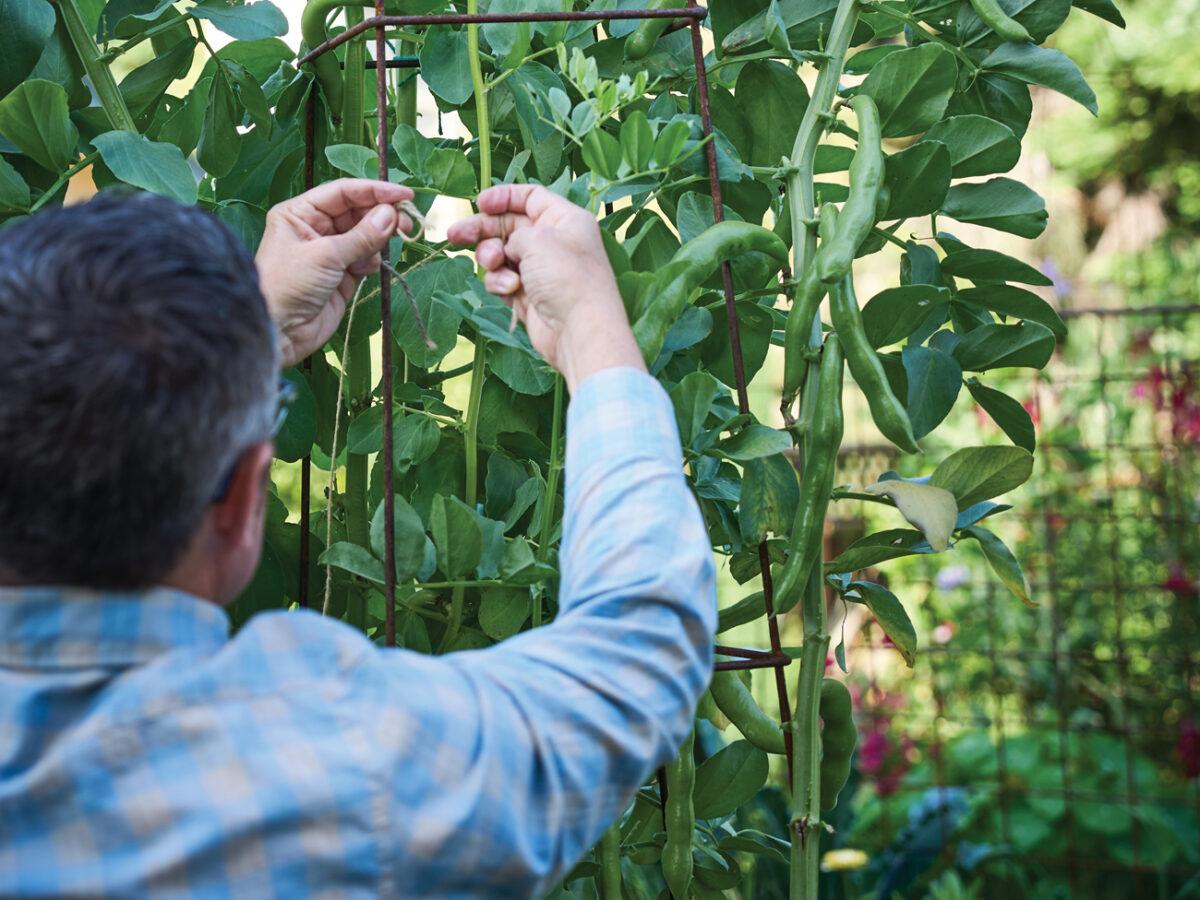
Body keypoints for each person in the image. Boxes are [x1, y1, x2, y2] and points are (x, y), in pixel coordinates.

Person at [0, 179, 716, 897]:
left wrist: (232, 351)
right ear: (243, 495)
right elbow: (635, 658)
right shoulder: (331, 760)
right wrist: (593, 328)